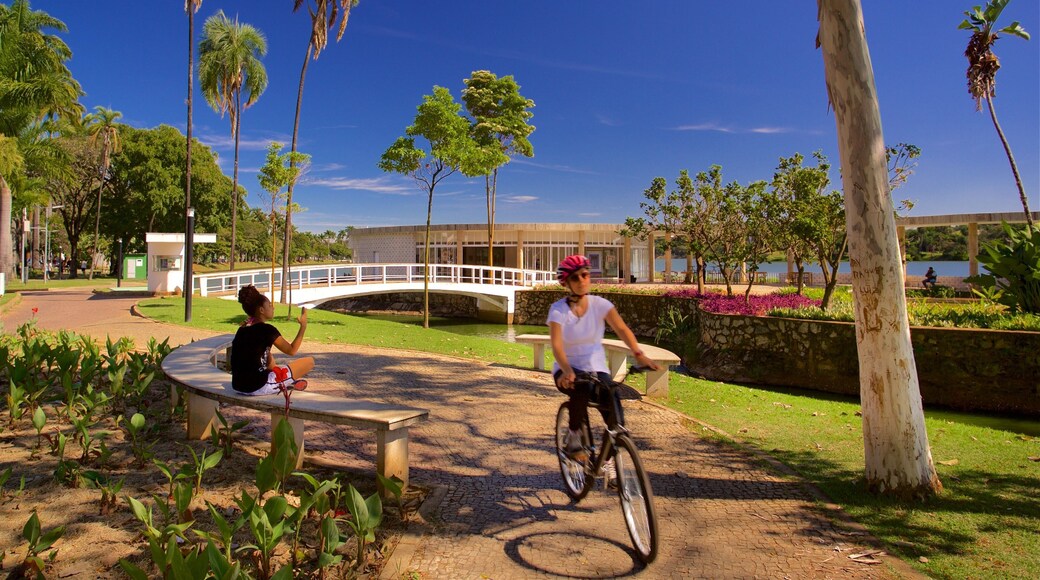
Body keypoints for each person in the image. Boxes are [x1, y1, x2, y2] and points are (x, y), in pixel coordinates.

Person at [549, 255, 660, 462]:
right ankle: (573, 435)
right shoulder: (558, 310)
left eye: (585, 275)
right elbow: (556, 345)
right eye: (575, 277)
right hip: (566, 369)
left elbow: (621, 329)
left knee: (612, 400)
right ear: (566, 283)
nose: (581, 280)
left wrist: (639, 354)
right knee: (581, 388)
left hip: (597, 369)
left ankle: (610, 457)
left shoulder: (600, 305)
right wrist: (567, 370)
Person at [230, 285, 314, 395]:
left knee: (268, 355)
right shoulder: (268, 330)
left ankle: (283, 382)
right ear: (261, 310)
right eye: (269, 305)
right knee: (309, 362)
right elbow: (292, 350)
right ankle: (282, 384)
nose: (273, 307)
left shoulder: (242, 329)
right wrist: (303, 326)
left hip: (237, 386)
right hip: (257, 387)